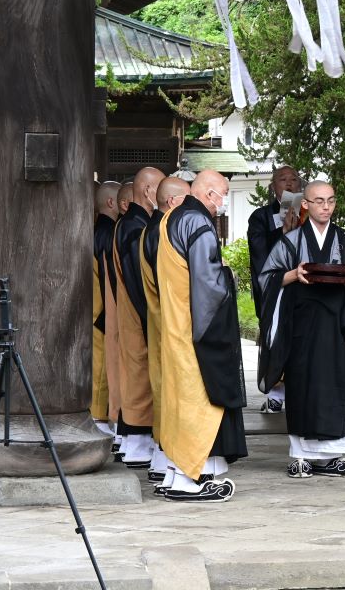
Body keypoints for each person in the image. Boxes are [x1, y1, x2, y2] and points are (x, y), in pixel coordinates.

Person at [256, 181, 345, 479]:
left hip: (339, 330)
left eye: (330, 201)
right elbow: (266, 280)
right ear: (305, 205)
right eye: (318, 201)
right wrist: (294, 274)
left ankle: (337, 453)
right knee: (302, 386)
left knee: (337, 383)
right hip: (302, 329)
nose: (325, 206)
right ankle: (300, 454)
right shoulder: (290, 241)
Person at [155, 169, 247, 502]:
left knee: (179, 401)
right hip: (197, 326)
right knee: (199, 402)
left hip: (174, 323)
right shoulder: (197, 222)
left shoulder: (170, 219)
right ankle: (185, 477)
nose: (223, 204)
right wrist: (229, 276)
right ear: (209, 194)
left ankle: (174, 472)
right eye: (222, 195)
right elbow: (208, 281)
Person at [139, 176, 191, 484]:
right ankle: (173, 459)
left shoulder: (154, 229)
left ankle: (166, 459)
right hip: (171, 322)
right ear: (173, 202)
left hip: (162, 320)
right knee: (173, 389)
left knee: (165, 387)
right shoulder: (163, 231)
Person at [112, 166, 164, 468]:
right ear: (147, 191)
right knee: (141, 380)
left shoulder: (130, 221)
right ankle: (139, 446)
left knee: (135, 380)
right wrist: (151, 318)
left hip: (130, 316)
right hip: (137, 314)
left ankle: (136, 444)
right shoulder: (135, 226)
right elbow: (137, 280)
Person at [247, 166, 303, 413]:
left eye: (294, 180)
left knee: (302, 340)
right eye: (283, 179)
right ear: (273, 187)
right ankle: (275, 393)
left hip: (304, 290)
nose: (289, 184)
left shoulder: (309, 213)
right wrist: (281, 233)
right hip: (276, 290)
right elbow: (259, 254)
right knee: (275, 340)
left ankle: (301, 390)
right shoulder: (260, 217)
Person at [92, 181, 123, 438]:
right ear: (111, 203)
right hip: (103, 311)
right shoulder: (109, 233)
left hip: (93, 311)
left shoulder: (95, 230)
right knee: (104, 366)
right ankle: (100, 418)